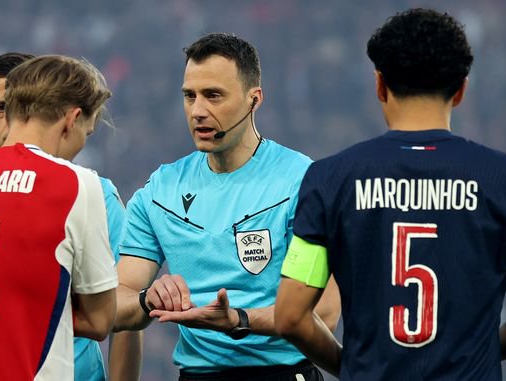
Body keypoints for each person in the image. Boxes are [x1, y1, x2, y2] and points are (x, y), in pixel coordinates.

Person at [274, 8, 506, 380]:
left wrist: (348, 367)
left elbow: (290, 316)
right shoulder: (499, 179)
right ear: (462, 89)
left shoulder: (329, 179)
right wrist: (484, 353)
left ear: (379, 85)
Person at [113, 33, 340, 381]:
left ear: (254, 100)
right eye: (190, 96)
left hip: (282, 373)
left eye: (213, 96)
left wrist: (238, 320)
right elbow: (116, 301)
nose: (198, 111)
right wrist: (146, 299)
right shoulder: (161, 190)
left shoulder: (303, 183)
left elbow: (323, 313)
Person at [0, 52, 141, 381]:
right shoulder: (77, 184)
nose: (77, 150)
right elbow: (101, 321)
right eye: (85, 135)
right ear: (71, 120)